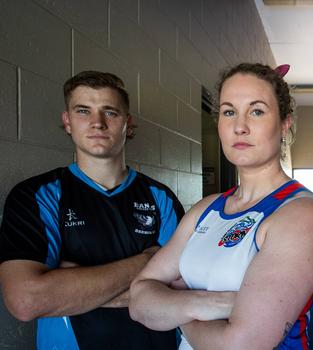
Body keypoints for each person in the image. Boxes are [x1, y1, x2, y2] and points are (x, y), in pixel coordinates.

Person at [128, 63, 313, 349]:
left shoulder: (301, 214)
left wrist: (175, 309)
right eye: (229, 111)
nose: (240, 126)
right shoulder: (206, 209)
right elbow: (138, 299)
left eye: (257, 111)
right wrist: (220, 303)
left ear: (285, 123)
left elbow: (240, 345)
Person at [0, 71, 184, 349]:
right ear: (67, 121)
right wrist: (149, 260)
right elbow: (27, 301)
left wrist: (70, 288)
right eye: (83, 111)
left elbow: (182, 289)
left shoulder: (162, 199)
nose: (97, 123)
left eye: (110, 112)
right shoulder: (37, 196)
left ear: (128, 123)